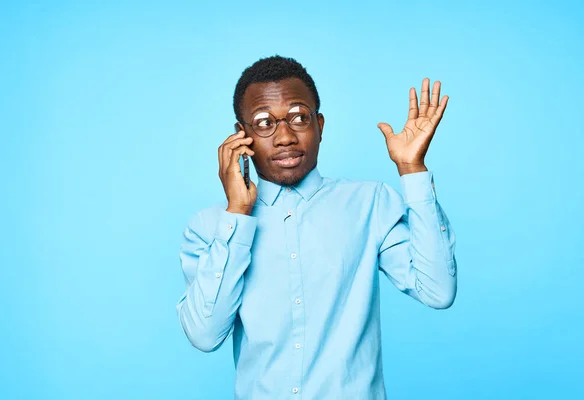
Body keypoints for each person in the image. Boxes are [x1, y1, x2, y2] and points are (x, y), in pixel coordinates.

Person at [176, 55, 457, 399]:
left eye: (298, 118)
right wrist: (237, 213)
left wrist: (412, 168)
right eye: (264, 123)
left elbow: (438, 291)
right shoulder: (210, 227)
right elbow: (205, 335)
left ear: (319, 125)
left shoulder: (370, 203)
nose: (284, 137)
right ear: (241, 136)